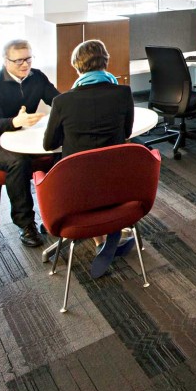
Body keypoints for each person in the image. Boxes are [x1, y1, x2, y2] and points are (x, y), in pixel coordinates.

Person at [43, 39, 136, 278]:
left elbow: (49, 144)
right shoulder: (123, 93)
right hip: (116, 182)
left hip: (77, 186)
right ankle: (109, 234)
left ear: (77, 67)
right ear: (106, 61)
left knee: (86, 173)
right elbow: (126, 133)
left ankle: (100, 241)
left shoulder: (62, 102)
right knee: (102, 172)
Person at [0, 39, 60, 247]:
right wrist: (15, 122)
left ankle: (55, 213)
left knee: (63, 150)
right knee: (18, 162)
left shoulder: (36, 77)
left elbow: (57, 100)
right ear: (5, 61)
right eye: (18, 61)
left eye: (28, 58)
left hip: (24, 137)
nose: (25, 65)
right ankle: (26, 224)